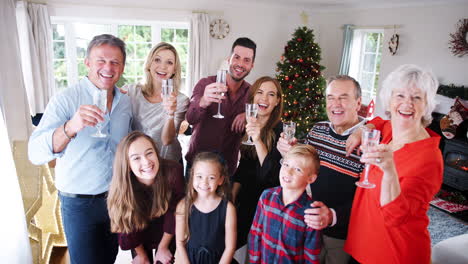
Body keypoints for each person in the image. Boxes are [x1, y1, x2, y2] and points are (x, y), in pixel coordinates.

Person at [28, 34, 132, 263]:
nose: (108, 67)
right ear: (87, 63)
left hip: (114, 199)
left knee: (109, 259)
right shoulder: (65, 99)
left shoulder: (125, 101)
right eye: (100, 60)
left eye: (115, 62)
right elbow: (34, 153)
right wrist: (71, 127)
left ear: (122, 67)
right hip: (79, 204)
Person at [344, 64, 443, 263]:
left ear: (426, 106)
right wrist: (362, 130)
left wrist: (389, 172)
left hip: (393, 252)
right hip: (363, 242)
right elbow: (381, 122)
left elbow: (397, 216)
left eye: (416, 97)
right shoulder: (390, 132)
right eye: (400, 96)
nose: (407, 104)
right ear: (389, 101)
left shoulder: (429, 158)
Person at [277, 75, 366, 264]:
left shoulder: (369, 141)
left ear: (358, 103)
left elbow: (367, 201)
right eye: (330, 97)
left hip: (342, 235)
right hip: (307, 225)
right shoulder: (318, 130)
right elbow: (303, 166)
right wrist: (289, 152)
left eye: (343, 97)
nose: (335, 104)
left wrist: (333, 216)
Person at [107, 131, 185, 264]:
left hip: (168, 228)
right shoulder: (123, 185)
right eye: (136, 158)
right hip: (138, 232)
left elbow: (176, 212)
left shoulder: (173, 172)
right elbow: (126, 222)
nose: (146, 162)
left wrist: (163, 247)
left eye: (149, 153)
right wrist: (141, 254)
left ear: (156, 153)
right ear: (127, 165)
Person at [185, 37, 256, 177]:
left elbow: (260, 120)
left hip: (227, 169)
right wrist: (204, 101)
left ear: (252, 65)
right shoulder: (206, 83)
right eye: (237, 57)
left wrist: (248, 116)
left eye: (246, 60)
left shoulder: (252, 93)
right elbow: (190, 119)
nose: (240, 64)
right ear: (229, 59)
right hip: (197, 166)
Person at [231, 76, 283, 248]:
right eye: (260, 92)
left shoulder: (280, 131)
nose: (264, 99)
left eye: (271, 94)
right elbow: (244, 167)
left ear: (277, 101)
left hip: (266, 202)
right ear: (252, 97)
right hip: (246, 198)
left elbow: (271, 175)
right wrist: (232, 197)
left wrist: (258, 139)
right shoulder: (250, 123)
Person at [248, 144, 321, 264]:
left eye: (298, 169)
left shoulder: (311, 213)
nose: (288, 171)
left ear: (311, 179)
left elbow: (310, 256)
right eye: (286, 165)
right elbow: (256, 233)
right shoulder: (266, 196)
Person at [123, 42, 189, 162]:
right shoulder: (131, 91)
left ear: (174, 69)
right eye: (157, 60)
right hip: (139, 162)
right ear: (149, 64)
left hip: (168, 163)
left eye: (169, 62)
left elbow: (167, 140)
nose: (162, 67)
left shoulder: (181, 100)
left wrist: (170, 114)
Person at [175, 152, 237, 264]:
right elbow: (180, 243)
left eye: (211, 177)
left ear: (220, 180)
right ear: (192, 176)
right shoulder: (183, 206)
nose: (204, 182)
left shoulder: (228, 209)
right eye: (199, 176)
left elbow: (230, 248)